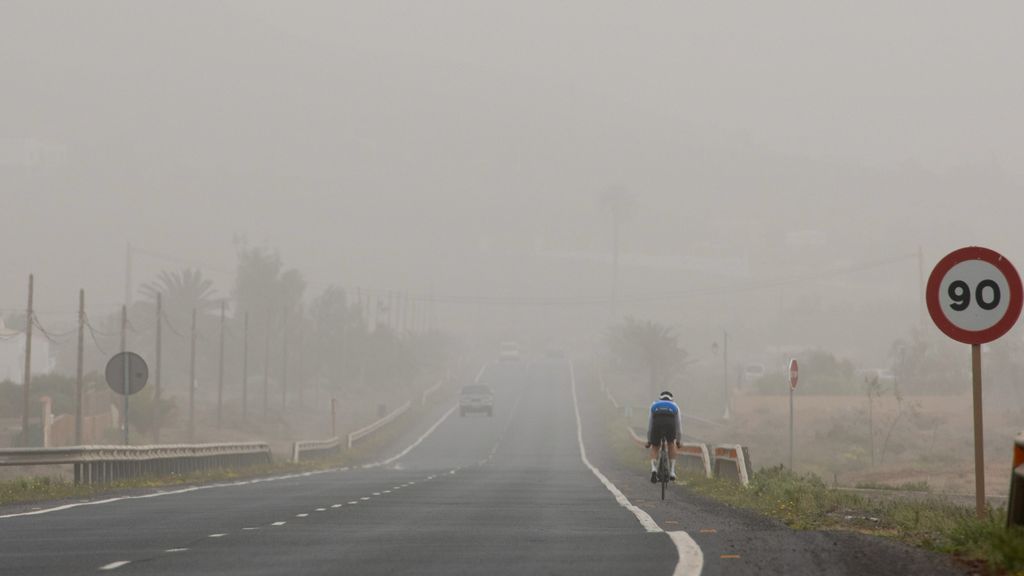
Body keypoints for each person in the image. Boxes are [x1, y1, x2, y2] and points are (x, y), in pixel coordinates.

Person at [645, 390, 682, 483]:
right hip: (670, 425)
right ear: (671, 399)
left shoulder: (654, 404)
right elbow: (678, 425)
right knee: (671, 444)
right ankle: (672, 471)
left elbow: (650, 423)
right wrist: (678, 441)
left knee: (655, 446)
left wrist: (649, 440)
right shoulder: (675, 405)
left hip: (657, 425)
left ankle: (653, 469)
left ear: (660, 398)